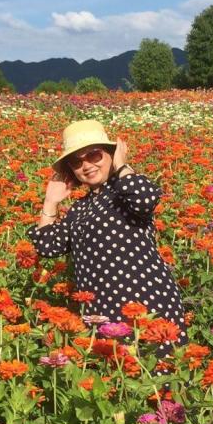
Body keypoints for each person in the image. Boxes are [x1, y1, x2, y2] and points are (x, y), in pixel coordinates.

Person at [26, 119, 187, 362]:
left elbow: (145, 199)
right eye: (76, 162)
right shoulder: (80, 208)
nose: (86, 165)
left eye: (94, 155)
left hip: (145, 303)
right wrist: (50, 202)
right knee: (117, 384)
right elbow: (48, 246)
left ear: (110, 154)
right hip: (101, 309)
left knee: (155, 379)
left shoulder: (123, 191)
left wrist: (122, 166)